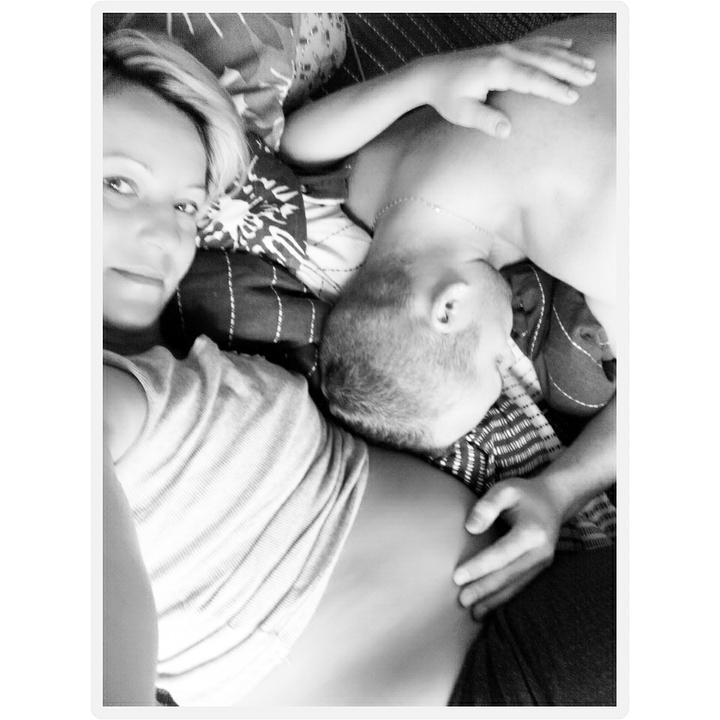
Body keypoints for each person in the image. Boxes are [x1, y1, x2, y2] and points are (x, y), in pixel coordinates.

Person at [102, 28, 608, 706]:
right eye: (116, 181)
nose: (168, 234)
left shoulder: (194, 313)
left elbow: (295, 154)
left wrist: (559, 490)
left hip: (536, 589)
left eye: (187, 205)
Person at [281, 14, 618, 617]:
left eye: (495, 360)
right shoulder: (368, 176)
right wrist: (422, 77)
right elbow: (293, 146)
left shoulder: (595, 248)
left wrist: (560, 490)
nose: (513, 342)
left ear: (449, 307)